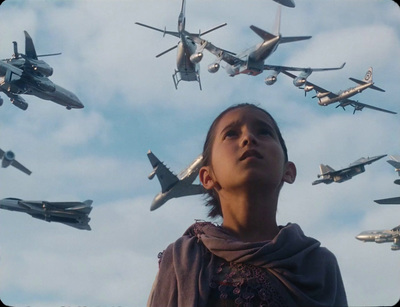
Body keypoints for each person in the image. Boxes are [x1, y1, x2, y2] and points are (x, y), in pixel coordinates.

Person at [147, 103, 347, 307]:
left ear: (289, 171)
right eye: (231, 134)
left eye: (264, 132)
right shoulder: (185, 260)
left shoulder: (319, 263)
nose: (248, 138)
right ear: (207, 177)